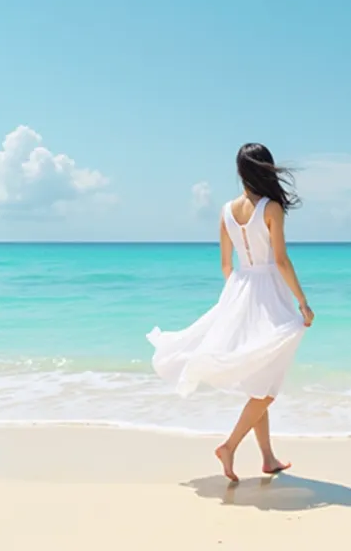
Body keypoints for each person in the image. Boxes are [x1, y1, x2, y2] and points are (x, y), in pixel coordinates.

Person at [147, 143, 314, 482]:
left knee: (259, 378)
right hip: (269, 293)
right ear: (266, 169)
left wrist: (236, 302)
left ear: (241, 173)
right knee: (266, 389)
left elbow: (226, 265)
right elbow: (280, 261)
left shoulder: (225, 211)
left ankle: (267, 458)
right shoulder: (272, 208)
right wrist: (302, 301)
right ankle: (229, 446)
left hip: (239, 291)